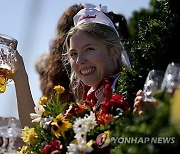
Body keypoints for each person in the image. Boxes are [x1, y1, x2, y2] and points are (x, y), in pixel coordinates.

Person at [12, 4, 133, 128]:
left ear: (114, 51)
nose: (80, 60)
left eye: (89, 49)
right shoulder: (90, 99)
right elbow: (40, 138)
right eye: (73, 54)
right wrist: (19, 75)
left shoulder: (131, 91)